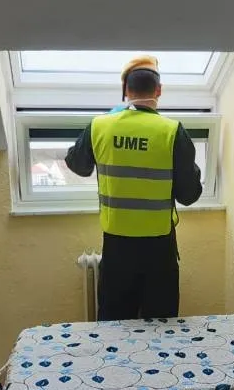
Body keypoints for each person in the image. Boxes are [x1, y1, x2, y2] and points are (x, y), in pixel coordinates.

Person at [65, 55, 202, 321]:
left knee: (114, 327)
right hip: (159, 249)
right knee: (162, 327)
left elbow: (77, 164)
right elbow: (189, 195)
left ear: (126, 90)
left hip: (117, 248)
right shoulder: (172, 131)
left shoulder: (100, 126)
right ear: (158, 91)